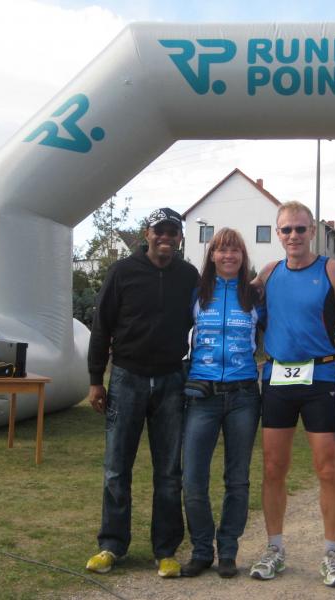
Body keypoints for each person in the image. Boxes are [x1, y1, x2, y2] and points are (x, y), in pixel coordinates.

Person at [249, 201, 335, 587]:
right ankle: (274, 548)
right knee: (273, 467)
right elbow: (237, 300)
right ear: (278, 233)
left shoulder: (331, 269)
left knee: (328, 467)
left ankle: (332, 553)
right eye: (286, 229)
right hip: (277, 379)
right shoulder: (269, 273)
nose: (293, 236)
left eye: (300, 229)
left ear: (312, 231)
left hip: (319, 379)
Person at [85, 207, 199, 577]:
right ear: (146, 234)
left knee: (169, 472)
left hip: (171, 380)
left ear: (179, 238)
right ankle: (112, 546)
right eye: (158, 231)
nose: (165, 237)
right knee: (116, 469)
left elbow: (206, 320)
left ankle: (165, 551)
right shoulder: (122, 272)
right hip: (127, 378)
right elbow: (101, 326)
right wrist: (95, 379)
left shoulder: (189, 276)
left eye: (172, 232)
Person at [181, 228, 264, 579]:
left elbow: (283, 330)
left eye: (235, 251)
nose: (229, 256)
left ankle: (228, 550)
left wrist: (328, 349)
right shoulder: (197, 292)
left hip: (244, 396)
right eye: (222, 250)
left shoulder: (255, 296)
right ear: (212, 256)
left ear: (243, 257)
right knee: (192, 479)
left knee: (237, 479)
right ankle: (202, 550)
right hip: (203, 395)